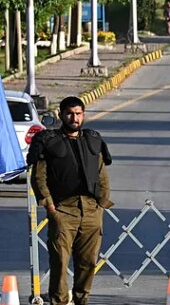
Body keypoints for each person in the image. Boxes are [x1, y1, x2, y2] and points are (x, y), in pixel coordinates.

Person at [26, 96, 113, 305]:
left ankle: (82, 300)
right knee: (60, 262)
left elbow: (101, 174)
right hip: (63, 210)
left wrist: (101, 204)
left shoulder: (92, 140)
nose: (74, 118)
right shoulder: (49, 142)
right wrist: (50, 206)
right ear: (61, 115)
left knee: (88, 262)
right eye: (70, 114)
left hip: (91, 210)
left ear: (83, 115)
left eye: (78, 114)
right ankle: (60, 301)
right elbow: (39, 177)